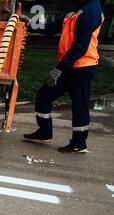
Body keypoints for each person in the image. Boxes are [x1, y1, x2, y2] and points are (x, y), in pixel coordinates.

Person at [23, 0, 104, 153]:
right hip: (68, 66)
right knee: (43, 97)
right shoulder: (76, 9)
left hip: (82, 67)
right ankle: (44, 132)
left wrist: (58, 69)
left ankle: (79, 143)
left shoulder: (91, 9)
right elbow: (51, 28)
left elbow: (80, 46)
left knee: (79, 106)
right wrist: (30, 24)